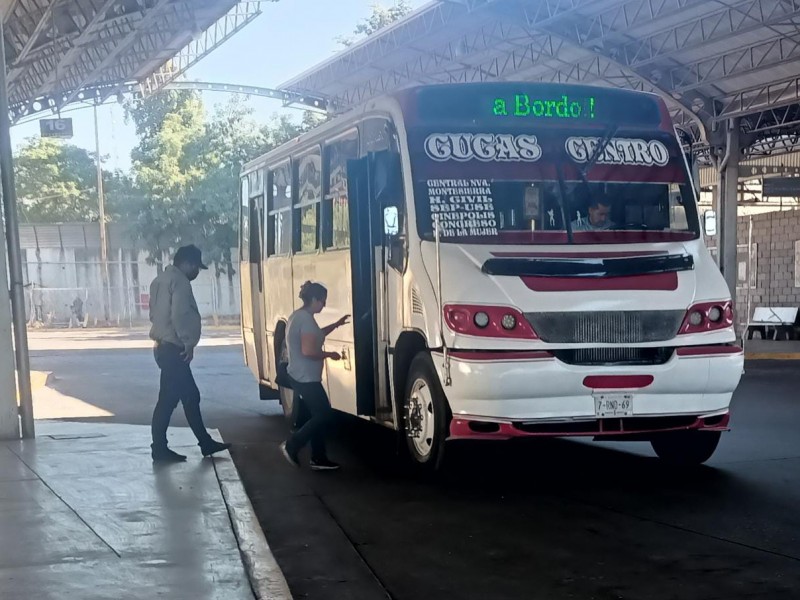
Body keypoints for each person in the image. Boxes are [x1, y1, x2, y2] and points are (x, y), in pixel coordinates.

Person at [148, 244, 231, 463]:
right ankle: (163, 448)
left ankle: (202, 442)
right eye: (195, 266)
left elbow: (153, 313)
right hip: (174, 348)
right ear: (185, 263)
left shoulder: (159, 281)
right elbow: (180, 314)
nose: (196, 272)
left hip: (162, 346)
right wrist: (188, 342)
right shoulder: (181, 282)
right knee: (175, 399)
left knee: (184, 397)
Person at [279, 281, 350, 471]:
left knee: (317, 415)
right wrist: (330, 355)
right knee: (324, 414)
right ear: (313, 299)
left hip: (301, 374)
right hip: (306, 377)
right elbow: (309, 351)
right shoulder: (306, 320)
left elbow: (316, 335)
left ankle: (318, 458)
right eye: (322, 301)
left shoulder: (298, 316)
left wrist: (336, 325)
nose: (324, 305)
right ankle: (293, 444)